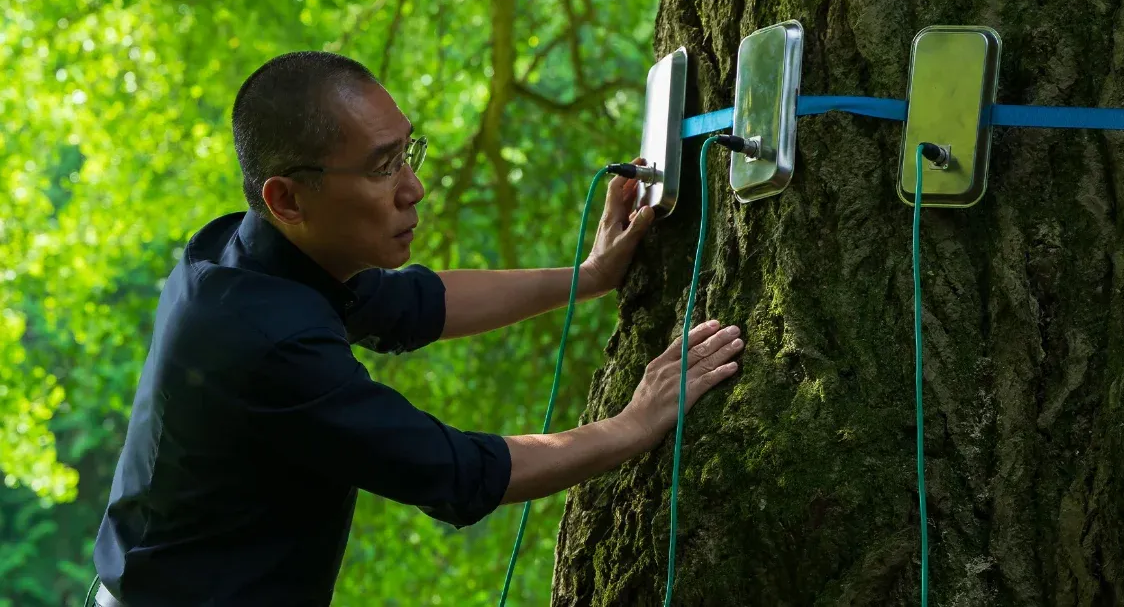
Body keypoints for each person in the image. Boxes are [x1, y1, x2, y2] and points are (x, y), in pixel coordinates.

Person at [87, 51, 743, 605]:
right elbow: (456, 471)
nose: (414, 188)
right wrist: (634, 424)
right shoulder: (265, 341)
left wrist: (588, 276)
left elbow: (417, 304)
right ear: (286, 198)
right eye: (383, 167)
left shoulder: (254, 252)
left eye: (408, 154)